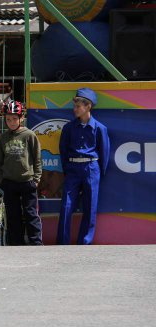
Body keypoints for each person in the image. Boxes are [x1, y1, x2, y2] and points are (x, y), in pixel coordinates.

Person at [57, 87, 110, 245]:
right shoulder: (68, 128)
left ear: (88, 106)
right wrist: (68, 169)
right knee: (66, 205)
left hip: (91, 169)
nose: (74, 109)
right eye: (74, 106)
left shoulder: (100, 128)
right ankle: (62, 242)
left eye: (78, 106)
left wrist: (97, 172)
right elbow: (63, 150)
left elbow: (104, 153)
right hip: (73, 169)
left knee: (90, 206)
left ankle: (84, 242)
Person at [0, 100, 43, 245]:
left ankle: (36, 242)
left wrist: (36, 178)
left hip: (27, 182)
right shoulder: (3, 138)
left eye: (14, 119)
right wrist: (2, 178)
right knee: (13, 215)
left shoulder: (29, 135)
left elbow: (37, 158)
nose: (11, 122)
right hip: (10, 183)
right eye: (8, 119)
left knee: (31, 214)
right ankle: (16, 243)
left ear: (21, 118)